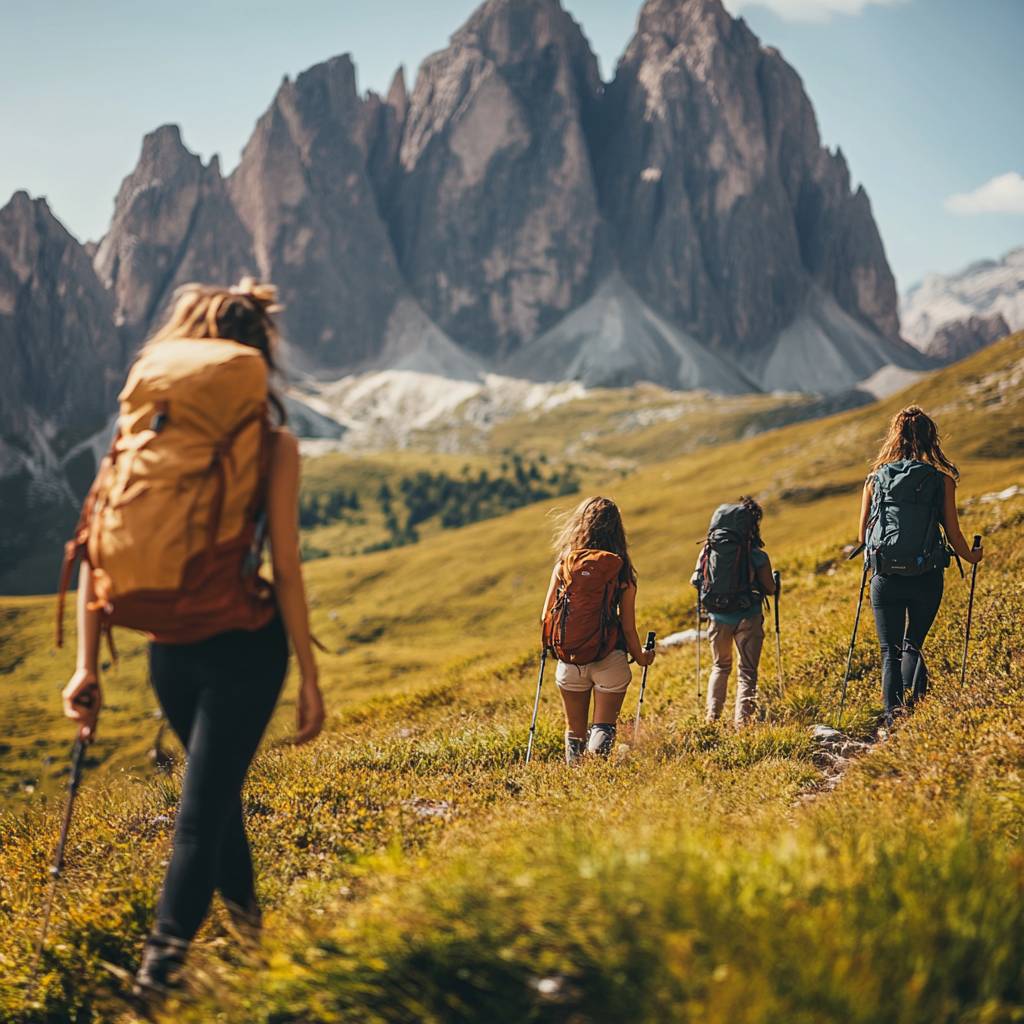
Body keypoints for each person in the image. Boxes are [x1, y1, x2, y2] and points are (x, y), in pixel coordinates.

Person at [60, 279, 325, 1002]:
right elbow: (288, 570)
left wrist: (86, 667)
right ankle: (157, 980)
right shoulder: (273, 444)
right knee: (205, 809)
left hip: (166, 650)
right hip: (245, 647)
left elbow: (91, 547)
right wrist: (309, 674)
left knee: (215, 798)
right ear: (257, 354)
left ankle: (249, 944)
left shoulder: (137, 434)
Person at [859, 406, 982, 728]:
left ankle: (892, 720)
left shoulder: (874, 479)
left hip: (885, 576)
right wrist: (972, 557)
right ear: (931, 438)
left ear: (895, 437)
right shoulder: (941, 481)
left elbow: (862, 535)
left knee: (890, 650)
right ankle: (918, 707)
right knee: (913, 643)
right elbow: (953, 533)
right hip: (926, 576)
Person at [541, 496, 655, 763]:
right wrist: (641, 658)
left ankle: (575, 776)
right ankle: (596, 765)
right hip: (609, 659)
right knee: (603, 727)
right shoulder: (622, 570)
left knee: (574, 731)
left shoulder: (564, 565)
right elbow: (628, 627)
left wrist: (553, 648)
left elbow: (546, 615)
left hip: (570, 659)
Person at [695, 497, 776, 727]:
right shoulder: (757, 555)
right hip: (747, 616)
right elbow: (769, 588)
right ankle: (744, 724)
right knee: (747, 671)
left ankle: (712, 719)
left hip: (717, 618)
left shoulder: (708, 551)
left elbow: (696, 580)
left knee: (720, 666)